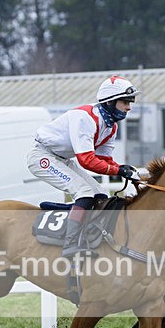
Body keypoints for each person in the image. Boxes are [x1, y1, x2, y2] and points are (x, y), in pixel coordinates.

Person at [27, 75, 140, 259]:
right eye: (125, 102)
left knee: (100, 195)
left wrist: (121, 167)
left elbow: (103, 159)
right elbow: (87, 160)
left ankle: (90, 237)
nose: (129, 107)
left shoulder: (111, 126)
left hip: (62, 159)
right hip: (42, 157)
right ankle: (70, 246)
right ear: (110, 102)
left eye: (130, 102)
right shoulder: (85, 118)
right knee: (85, 193)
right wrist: (117, 171)